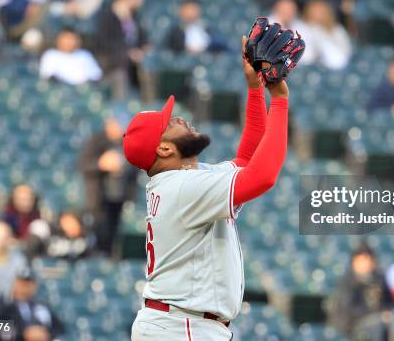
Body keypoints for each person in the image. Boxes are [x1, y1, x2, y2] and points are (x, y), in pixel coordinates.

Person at [127, 36, 290, 340]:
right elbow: (262, 176)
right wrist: (279, 99)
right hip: (180, 326)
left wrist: (255, 90)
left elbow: (246, 160)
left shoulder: (183, 180)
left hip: (180, 324)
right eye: (169, 122)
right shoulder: (182, 187)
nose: (177, 117)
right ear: (163, 149)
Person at [78, 110, 137, 254]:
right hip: (96, 202)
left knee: (111, 242)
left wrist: (122, 168)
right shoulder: (96, 141)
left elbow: (134, 171)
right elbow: (82, 165)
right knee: (95, 240)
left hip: (117, 201)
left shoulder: (127, 144)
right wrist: (101, 164)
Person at [94, 0, 148, 99]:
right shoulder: (107, 15)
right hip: (111, 58)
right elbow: (103, 42)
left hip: (132, 58)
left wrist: (143, 49)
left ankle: (147, 102)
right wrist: (128, 52)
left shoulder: (134, 16)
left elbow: (142, 37)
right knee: (121, 67)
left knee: (148, 63)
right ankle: (122, 105)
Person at [329, 244, 392, 340]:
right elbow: (350, 309)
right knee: (377, 326)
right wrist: (377, 315)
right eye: (362, 260)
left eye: (368, 259)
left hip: (377, 322)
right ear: (354, 262)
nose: (366, 263)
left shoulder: (379, 279)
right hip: (351, 327)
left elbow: (389, 302)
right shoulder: (347, 282)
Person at [0, 268, 64, 339]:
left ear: (35, 286)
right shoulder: (4, 303)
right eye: (22, 283)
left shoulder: (41, 305)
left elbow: (60, 328)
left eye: (29, 284)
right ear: (15, 283)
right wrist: (23, 333)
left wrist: (45, 333)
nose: (25, 287)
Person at [301, 0, 352, 70]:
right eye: (315, 11)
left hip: (333, 69)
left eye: (321, 11)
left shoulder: (337, 29)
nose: (318, 14)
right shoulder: (302, 27)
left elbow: (341, 58)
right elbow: (306, 58)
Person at [162, 0, 227, 54]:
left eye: (193, 9)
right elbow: (171, 48)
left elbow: (219, 45)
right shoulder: (175, 31)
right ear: (181, 12)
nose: (191, 12)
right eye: (188, 9)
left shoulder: (207, 29)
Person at [25, 211, 95, 261]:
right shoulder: (44, 227)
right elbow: (30, 251)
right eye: (72, 222)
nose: (76, 227)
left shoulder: (82, 241)